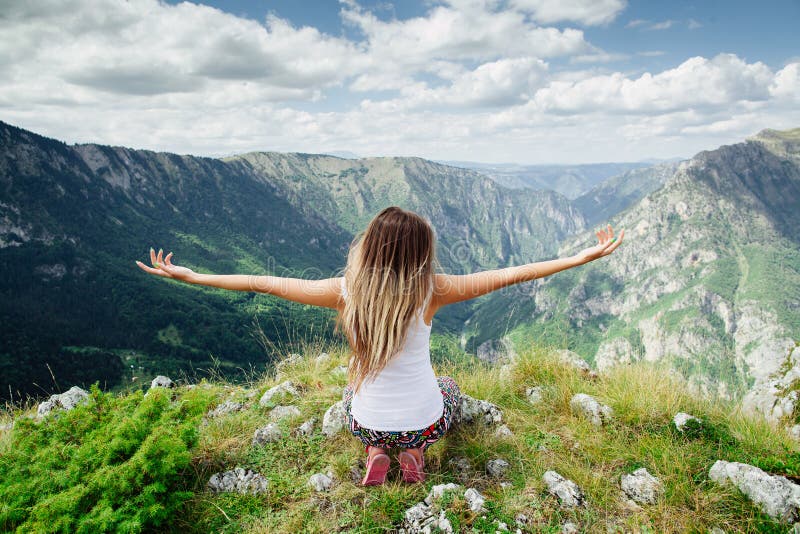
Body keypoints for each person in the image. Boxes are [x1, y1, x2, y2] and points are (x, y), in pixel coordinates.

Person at [136, 206, 624, 486]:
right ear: (420, 253)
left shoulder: (344, 290)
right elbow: (512, 274)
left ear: (370, 246)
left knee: (354, 391)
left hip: (366, 416)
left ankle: (376, 450)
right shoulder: (435, 289)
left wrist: (193, 276)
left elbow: (262, 283)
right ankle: (414, 454)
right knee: (447, 387)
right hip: (425, 416)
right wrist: (579, 257)